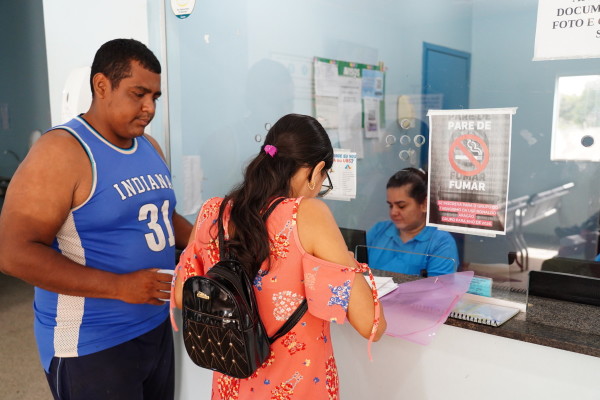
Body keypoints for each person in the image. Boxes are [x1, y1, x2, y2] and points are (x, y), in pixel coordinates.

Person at [0, 38, 192, 400]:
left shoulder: (148, 146)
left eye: (155, 97)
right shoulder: (62, 151)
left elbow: (161, 215)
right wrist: (120, 287)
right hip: (91, 343)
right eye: (138, 94)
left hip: (154, 326)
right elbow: (13, 253)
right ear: (102, 85)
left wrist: (208, 238)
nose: (149, 108)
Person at [172, 113, 386, 399]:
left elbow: (181, 296)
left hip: (231, 387)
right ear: (317, 170)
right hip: (297, 388)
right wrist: (347, 262)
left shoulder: (213, 211)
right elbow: (371, 325)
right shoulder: (307, 214)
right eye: (324, 179)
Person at [367, 168, 459, 277]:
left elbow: (438, 286)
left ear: (424, 204)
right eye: (390, 205)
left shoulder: (441, 243)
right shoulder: (379, 231)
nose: (393, 212)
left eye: (401, 206)